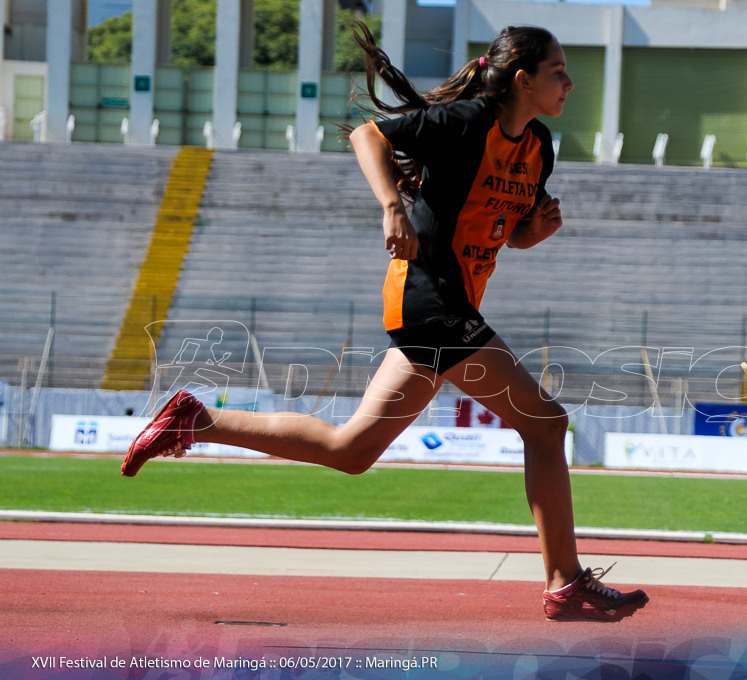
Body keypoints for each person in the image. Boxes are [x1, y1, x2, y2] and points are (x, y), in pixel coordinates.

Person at [121, 22, 648, 623]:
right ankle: (564, 582)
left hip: (450, 311)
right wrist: (392, 206)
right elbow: (370, 135)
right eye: (559, 72)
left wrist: (535, 232)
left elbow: (507, 229)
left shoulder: (538, 147)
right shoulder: (466, 122)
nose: (570, 84)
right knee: (546, 423)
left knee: (353, 449)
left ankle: (196, 419)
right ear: (522, 79)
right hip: (430, 301)